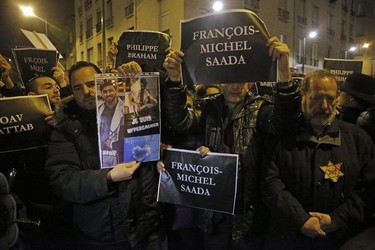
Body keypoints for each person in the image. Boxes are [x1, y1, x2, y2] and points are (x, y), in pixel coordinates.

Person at [161, 36, 291, 250]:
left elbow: (285, 124)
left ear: (250, 80)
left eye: (241, 79)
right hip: (214, 217)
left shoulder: (262, 110)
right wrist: (175, 80)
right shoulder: (208, 108)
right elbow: (179, 122)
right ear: (218, 80)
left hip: (249, 218)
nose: (235, 86)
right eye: (228, 79)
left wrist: (284, 76)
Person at [44, 61, 166, 249]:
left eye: (92, 83)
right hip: (105, 232)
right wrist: (107, 177)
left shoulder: (130, 112)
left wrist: (158, 155)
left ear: (104, 82)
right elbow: (63, 181)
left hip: (147, 224)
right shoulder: (64, 130)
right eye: (78, 88)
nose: (86, 91)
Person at [261, 69, 375, 249]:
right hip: (286, 238)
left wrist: (336, 219)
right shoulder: (282, 135)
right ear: (302, 96)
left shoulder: (359, 140)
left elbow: (367, 190)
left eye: (330, 99)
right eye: (316, 98)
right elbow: (270, 181)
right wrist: (301, 219)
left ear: (338, 98)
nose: (324, 106)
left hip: (337, 240)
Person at [97, 81, 125, 167]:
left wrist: (113, 144)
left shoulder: (125, 109)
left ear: (116, 91)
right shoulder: (99, 109)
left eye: (110, 90)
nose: (108, 94)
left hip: (117, 154)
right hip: (102, 154)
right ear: (101, 94)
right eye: (104, 92)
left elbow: (128, 138)